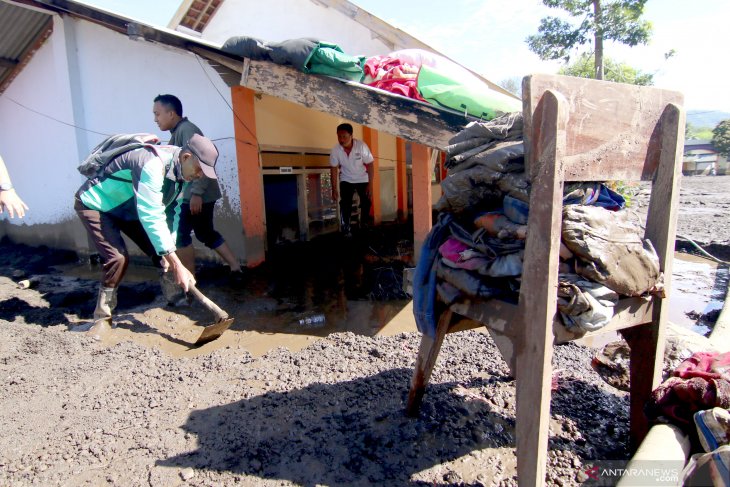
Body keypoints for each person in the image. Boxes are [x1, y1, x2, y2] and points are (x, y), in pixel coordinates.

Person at [75, 133, 219, 339]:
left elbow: (173, 212)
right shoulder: (152, 164)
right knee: (118, 258)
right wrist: (178, 265)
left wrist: (170, 251)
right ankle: (102, 318)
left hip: (129, 209)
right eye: (199, 169)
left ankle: (175, 299)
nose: (199, 175)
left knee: (161, 253)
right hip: (98, 204)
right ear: (186, 157)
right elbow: (151, 215)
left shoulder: (180, 175)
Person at [153, 94, 242, 280]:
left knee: (181, 236)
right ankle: (235, 267)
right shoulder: (178, 133)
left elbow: (201, 159)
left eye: (158, 114)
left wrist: (196, 193)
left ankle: (190, 280)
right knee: (205, 233)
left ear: (171, 113)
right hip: (194, 194)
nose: (155, 119)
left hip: (193, 195)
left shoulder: (187, 130)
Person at [329, 123, 374, 237]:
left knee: (367, 201)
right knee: (345, 203)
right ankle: (346, 227)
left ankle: (364, 223)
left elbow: (370, 165)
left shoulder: (361, 146)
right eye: (339, 136)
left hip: (362, 177)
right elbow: (334, 169)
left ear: (351, 135)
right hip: (346, 178)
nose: (341, 139)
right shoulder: (336, 150)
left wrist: (370, 184)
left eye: (344, 136)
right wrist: (334, 189)